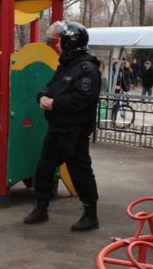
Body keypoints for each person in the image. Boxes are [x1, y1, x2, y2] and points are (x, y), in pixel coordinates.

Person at [24, 20, 102, 231]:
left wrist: (55, 103)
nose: (57, 46)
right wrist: (42, 97)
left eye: (60, 42)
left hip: (74, 131)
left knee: (80, 172)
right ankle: (41, 208)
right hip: (57, 129)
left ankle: (90, 214)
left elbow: (81, 100)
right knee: (44, 168)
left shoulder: (88, 69)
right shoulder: (66, 65)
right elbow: (49, 87)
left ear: (69, 43)